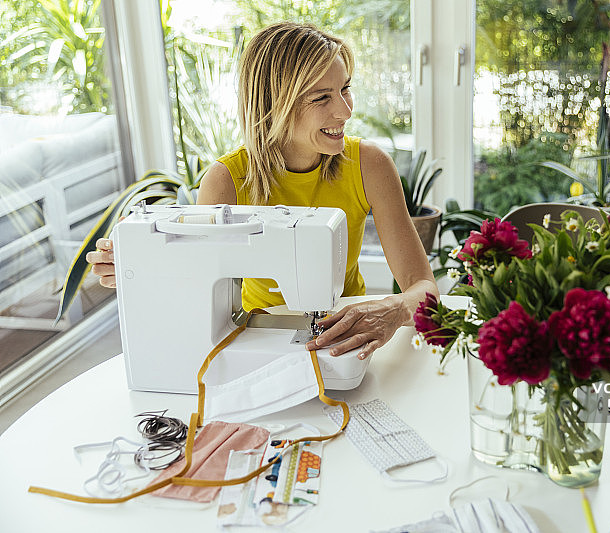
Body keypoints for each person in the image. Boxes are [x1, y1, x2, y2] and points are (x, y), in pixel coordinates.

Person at [87, 22, 438, 361]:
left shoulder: (368, 165)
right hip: (258, 338)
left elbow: (423, 286)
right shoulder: (227, 181)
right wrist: (141, 269)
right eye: (322, 97)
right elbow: (194, 291)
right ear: (274, 105)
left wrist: (393, 309)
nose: (345, 110)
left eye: (345, 88)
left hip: (349, 339)